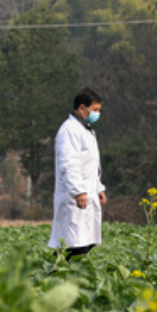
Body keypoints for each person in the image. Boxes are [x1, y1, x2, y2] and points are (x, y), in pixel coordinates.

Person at [48, 88, 106, 259]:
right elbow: (68, 164)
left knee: (86, 241)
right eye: (95, 110)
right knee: (73, 244)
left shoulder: (86, 130)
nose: (97, 114)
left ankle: (65, 277)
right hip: (74, 197)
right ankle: (51, 276)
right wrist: (78, 191)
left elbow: (91, 165)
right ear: (82, 108)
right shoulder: (69, 131)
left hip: (88, 194)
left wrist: (98, 188)